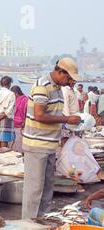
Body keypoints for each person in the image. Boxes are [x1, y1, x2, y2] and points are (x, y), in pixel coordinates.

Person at [22, 58, 82, 219]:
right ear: (60, 72)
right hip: (36, 143)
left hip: (49, 144)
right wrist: (66, 120)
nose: (69, 82)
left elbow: (54, 114)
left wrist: (71, 121)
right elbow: (40, 115)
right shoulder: (43, 86)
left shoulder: (58, 89)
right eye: (68, 78)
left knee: (47, 186)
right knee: (34, 187)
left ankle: (42, 217)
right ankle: (28, 223)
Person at [0, 76, 16, 148]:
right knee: (4, 144)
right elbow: (8, 111)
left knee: (1, 142)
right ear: (9, 84)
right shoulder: (11, 94)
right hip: (5, 119)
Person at [60, 78, 81, 145]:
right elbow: (65, 107)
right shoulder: (65, 90)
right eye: (72, 80)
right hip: (68, 119)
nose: (74, 82)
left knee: (74, 140)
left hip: (74, 118)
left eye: (75, 81)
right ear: (68, 80)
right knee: (66, 139)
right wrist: (68, 119)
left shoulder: (73, 90)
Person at [10, 86, 28, 153]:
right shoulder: (14, 100)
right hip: (13, 124)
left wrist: (25, 121)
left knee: (20, 144)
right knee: (13, 145)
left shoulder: (25, 99)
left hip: (21, 125)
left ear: (16, 93)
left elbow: (28, 112)